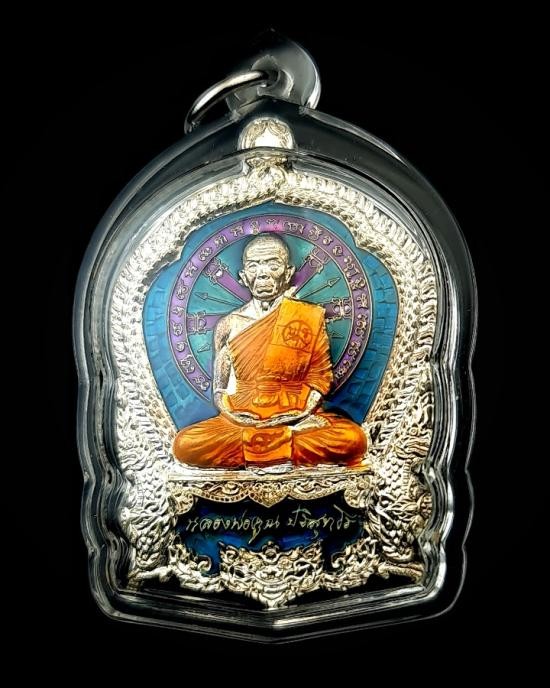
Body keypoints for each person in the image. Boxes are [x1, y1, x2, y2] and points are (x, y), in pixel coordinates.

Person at [173, 233, 367, 468]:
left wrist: (299, 415)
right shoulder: (229, 325)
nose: (262, 273)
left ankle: (261, 446)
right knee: (185, 444)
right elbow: (220, 389)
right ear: (243, 276)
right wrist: (236, 418)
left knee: (352, 440)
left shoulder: (308, 316)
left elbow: (319, 379)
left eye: (272, 265)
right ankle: (283, 443)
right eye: (254, 266)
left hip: (297, 414)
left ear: (288, 272)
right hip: (243, 417)